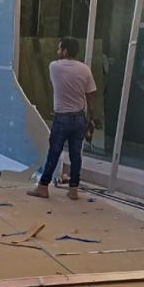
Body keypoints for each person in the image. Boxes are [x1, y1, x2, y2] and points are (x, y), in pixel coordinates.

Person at [27, 36, 97, 201]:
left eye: (59, 49)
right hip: (79, 118)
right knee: (75, 155)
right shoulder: (85, 69)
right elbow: (91, 95)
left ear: (65, 51)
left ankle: (43, 187)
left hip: (62, 118)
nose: (57, 51)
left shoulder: (54, 66)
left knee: (54, 153)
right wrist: (91, 118)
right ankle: (73, 190)